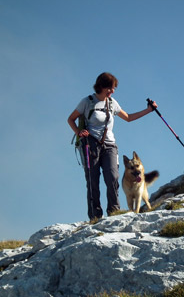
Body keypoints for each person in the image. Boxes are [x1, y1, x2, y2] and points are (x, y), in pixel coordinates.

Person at [67, 72, 158, 221]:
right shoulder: (87, 102)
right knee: (92, 181)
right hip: (90, 145)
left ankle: (114, 212)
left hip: (109, 145)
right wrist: (78, 132)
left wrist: (149, 110)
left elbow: (128, 118)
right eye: (110, 88)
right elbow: (71, 119)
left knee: (113, 178)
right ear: (101, 86)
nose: (112, 91)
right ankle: (95, 216)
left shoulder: (112, 103)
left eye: (114, 88)